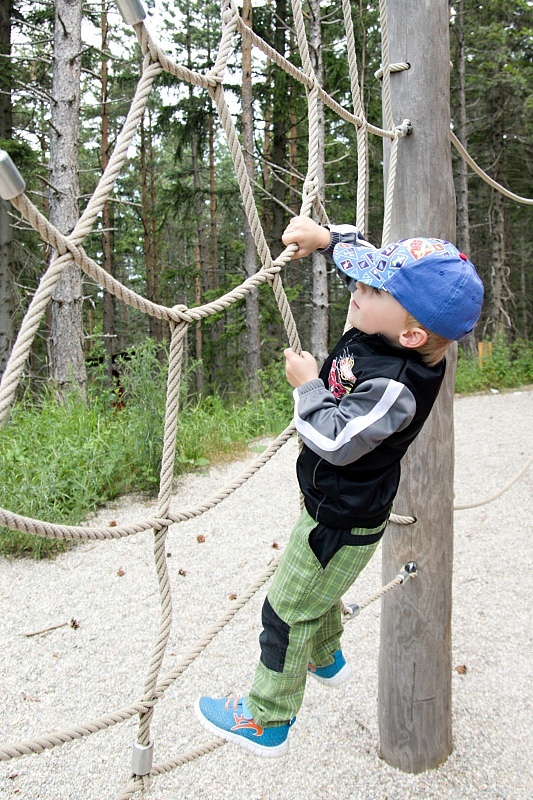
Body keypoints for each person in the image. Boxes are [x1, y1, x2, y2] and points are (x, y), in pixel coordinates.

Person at [194, 216, 484, 758]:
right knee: (315, 590)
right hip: (333, 505)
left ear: (412, 334)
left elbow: (336, 439)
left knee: (286, 606)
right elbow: (367, 258)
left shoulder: (395, 384)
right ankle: (325, 655)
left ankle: (266, 717)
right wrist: (327, 241)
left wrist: (307, 388)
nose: (357, 286)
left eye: (372, 287)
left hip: (342, 517)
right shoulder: (390, 327)